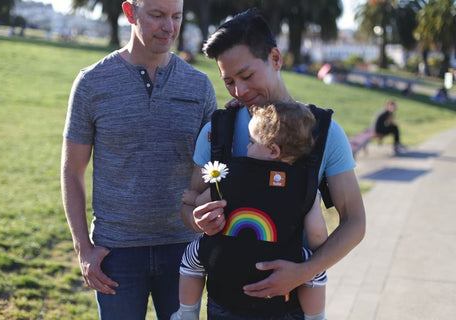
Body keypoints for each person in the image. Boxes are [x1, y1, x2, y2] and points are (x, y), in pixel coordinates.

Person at [180, 8, 366, 319]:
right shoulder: (217, 131)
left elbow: (355, 222)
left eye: (248, 76)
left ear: (276, 59)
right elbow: (187, 206)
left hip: (289, 309)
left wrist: (305, 271)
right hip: (222, 306)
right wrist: (196, 220)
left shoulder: (323, 132)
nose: (240, 91)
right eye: (229, 82)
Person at [60, 0, 217, 319]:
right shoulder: (91, 83)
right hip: (115, 252)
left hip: (183, 249)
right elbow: (72, 171)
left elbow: (213, 169)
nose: (169, 27)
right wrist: (83, 250)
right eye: (157, 15)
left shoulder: (199, 86)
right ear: (130, 12)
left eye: (176, 16)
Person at [172, 102, 329, 320]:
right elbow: (317, 235)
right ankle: (316, 317)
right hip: (282, 261)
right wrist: (310, 255)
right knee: (316, 270)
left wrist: (193, 198)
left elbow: (208, 200)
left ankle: (187, 312)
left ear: (273, 150)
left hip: (227, 258)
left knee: (191, 256)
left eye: (252, 142)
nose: (246, 148)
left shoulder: (235, 172)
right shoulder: (304, 185)